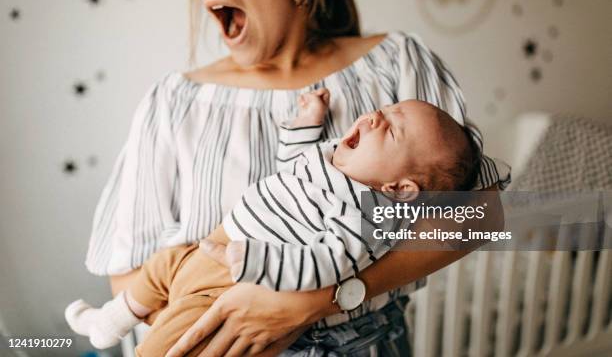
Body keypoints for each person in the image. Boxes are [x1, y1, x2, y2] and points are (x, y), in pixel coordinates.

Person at [84, 0, 511, 355]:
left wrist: (314, 302)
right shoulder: (173, 103)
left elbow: (479, 214)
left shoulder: (397, 63)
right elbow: (128, 276)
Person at [69, 90, 482, 355]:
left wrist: (255, 262)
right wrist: (308, 124)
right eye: (385, 110)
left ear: (402, 189)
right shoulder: (332, 156)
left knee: (176, 340)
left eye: (392, 130)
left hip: (232, 286)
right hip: (203, 254)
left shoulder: (369, 216)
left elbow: (329, 263)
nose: (375, 117)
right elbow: (292, 164)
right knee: (161, 266)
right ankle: (111, 322)